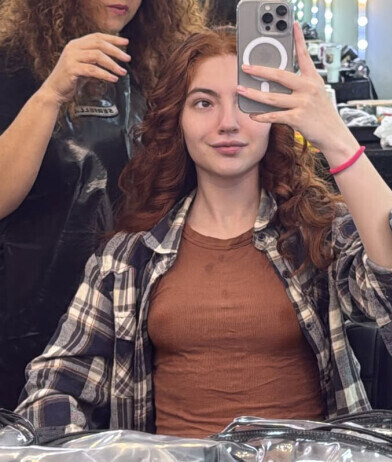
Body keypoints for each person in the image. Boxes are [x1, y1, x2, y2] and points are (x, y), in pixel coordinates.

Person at [16, 26, 392, 440]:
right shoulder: (128, 256)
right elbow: (56, 380)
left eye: (247, 102)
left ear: (274, 117)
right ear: (177, 120)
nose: (228, 123)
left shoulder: (318, 235)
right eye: (204, 103)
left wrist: (336, 138)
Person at [0, 0, 204, 410]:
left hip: (136, 311)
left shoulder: (161, 62)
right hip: (28, 316)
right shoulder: (12, 63)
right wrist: (51, 94)